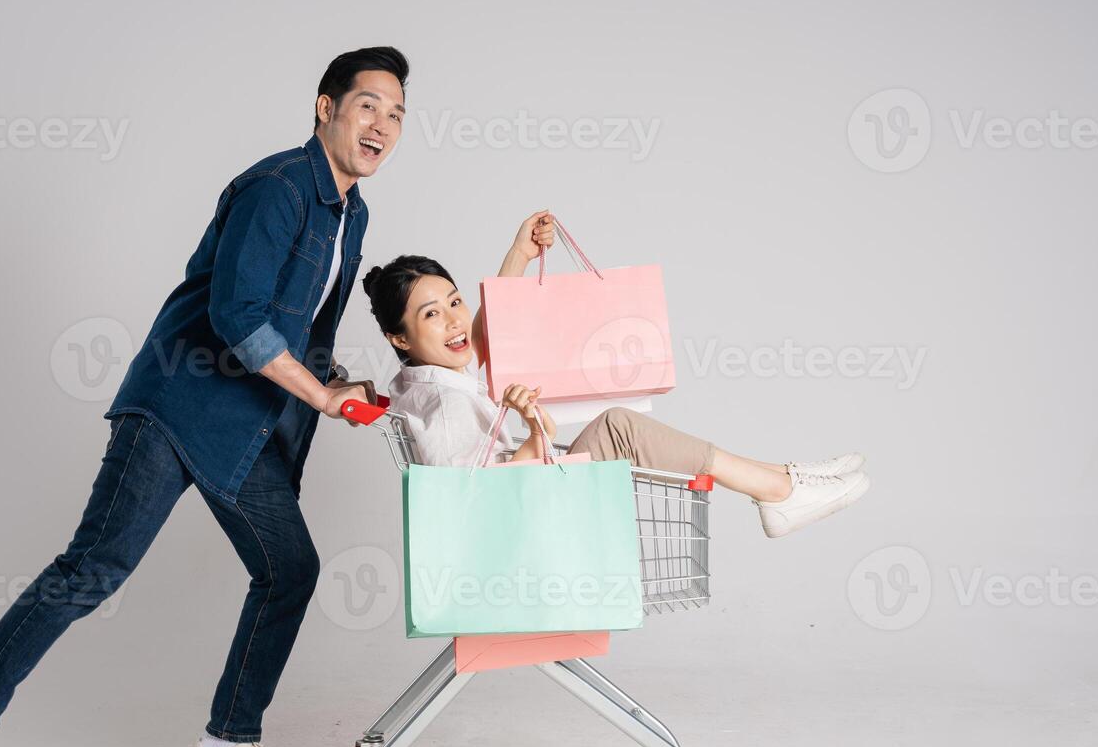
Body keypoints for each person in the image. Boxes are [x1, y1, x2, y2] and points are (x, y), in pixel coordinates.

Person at [0, 47, 407, 747]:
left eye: (397, 114)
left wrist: (340, 385)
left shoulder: (353, 212)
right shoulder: (277, 188)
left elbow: (306, 332)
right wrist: (321, 398)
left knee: (289, 569)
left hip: (243, 424)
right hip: (179, 403)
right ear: (325, 107)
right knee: (95, 567)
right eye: (368, 104)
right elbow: (238, 318)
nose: (382, 124)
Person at [358, 212, 871, 537]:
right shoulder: (444, 404)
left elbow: (484, 336)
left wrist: (520, 253)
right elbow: (473, 501)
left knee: (614, 425)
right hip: (520, 525)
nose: (453, 320)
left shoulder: (430, 382)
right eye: (431, 314)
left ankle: (781, 481)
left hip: (527, 501)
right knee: (620, 427)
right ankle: (780, 490)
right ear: (399, 339)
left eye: (454, 301)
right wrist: (534, 429)